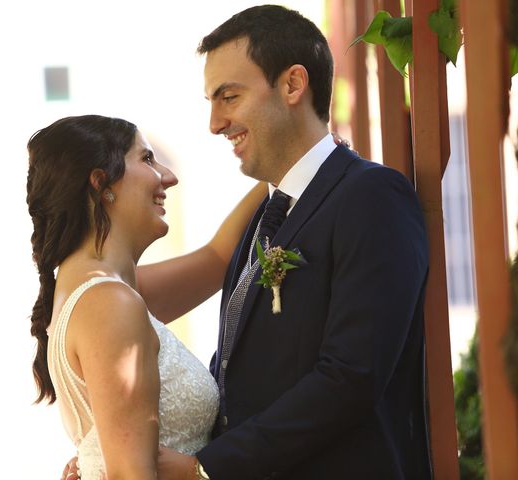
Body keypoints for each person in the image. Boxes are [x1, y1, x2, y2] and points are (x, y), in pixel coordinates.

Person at [155, 5, 432, 479]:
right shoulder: (261, 218)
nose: (215, 123)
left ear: (292, 85)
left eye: (229, 97)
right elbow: (239, 377)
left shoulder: (371, 196)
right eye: (212, 102)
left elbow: (351, 377)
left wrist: (207, 469)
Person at [26, 114, 268, 479]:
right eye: (147, 159)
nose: (168, 177)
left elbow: (218, 258)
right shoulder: (109, 304)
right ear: (101, 183)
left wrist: (290, 168)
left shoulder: (102, 289)